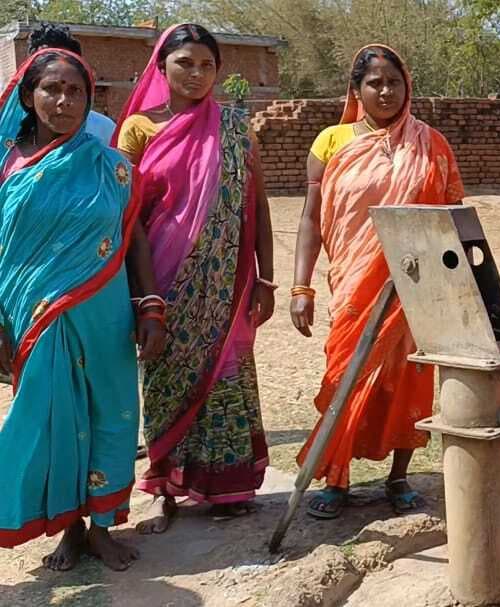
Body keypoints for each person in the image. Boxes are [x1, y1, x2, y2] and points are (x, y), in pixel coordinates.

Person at [0, 48, 165, 571]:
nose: (64, 100)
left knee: (111, 415)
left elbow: (134, 239)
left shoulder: (111, 167)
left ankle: (102, 529)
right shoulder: (7, 166)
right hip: (34, 317)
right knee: (52, 420)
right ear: (29, 96)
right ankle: (69, 529)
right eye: (52, 89)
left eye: (76, 91)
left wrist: (151, 308)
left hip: (105, 317)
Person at [291, 44, 465, 519]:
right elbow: (311, 219)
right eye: (375, 83)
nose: (386, 91)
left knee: (409, 379)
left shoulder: (431, 143)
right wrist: (301, 287)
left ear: (408, 86)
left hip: (417, 286)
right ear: (356, 90)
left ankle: (399, 476)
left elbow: (452, 219)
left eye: (394, 82)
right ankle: (337, 477)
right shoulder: (332, 142)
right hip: (353, 285)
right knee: (344, 376)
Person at [114, 23, 275, 533]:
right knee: (164, 379)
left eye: (207, 65)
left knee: (225, 377)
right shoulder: (139, 129)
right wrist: (139, 295)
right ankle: (164, 488)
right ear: (161, 67)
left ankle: (227, 486)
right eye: (185, 63)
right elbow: (126, 215)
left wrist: (266, 279)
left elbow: (258, 206)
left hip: (227, 281)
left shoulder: (235, 128)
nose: (196, 74)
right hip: (161, 279)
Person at [26, 23, 117, 144]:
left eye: (74, 89)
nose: (63, 100)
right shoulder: (9, 134)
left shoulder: (103, 128)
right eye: (51, 88)